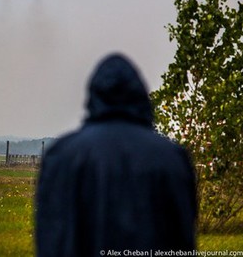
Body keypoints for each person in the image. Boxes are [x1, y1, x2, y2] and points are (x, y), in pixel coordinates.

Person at [35, 53, 196, 256]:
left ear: (93, 94)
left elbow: (51, 237)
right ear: (140, 94)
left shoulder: (61, 156)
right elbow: (183, 239)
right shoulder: (172, 157)